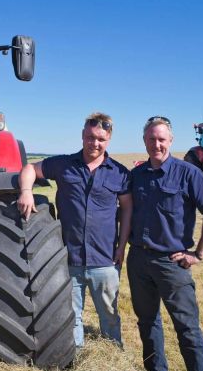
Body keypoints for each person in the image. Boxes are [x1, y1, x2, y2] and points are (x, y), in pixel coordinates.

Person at [17, 112, 132, 348]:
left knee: (109, 314)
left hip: (105, 259)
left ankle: (113, 355)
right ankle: (76, 355)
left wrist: (122, 246)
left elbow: (128, 210)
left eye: (101, 139)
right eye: (90, 137)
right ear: (82, 136)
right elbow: (30, 169)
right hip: (70, 258)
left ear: (108, 139)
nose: (95, 143)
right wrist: (26, 191)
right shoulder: (63, 164)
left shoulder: (119, 173)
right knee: (71, 315)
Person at [127, 116, 203, 371]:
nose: (157, 144)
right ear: (144, 141)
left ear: (171, 141)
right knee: (147, 321)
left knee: (187, 327)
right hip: (139, 260)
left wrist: (199, 253)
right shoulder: (137, 175)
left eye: (162, 139)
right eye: (151, 139)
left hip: (172, 263)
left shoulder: (188, 173)